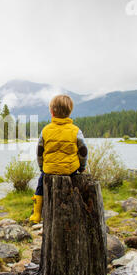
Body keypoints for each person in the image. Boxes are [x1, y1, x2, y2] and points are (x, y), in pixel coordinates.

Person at [29, 94, 88, 224]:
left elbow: (39, 151)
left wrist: (41, 167)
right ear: (70, 111)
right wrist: (82, 167)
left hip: (48, 170)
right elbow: (83, 151)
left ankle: (37, 214)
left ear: (51, 112)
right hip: (70, 171)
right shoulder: (76, 130)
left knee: (39, 187)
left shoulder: (45, 130)